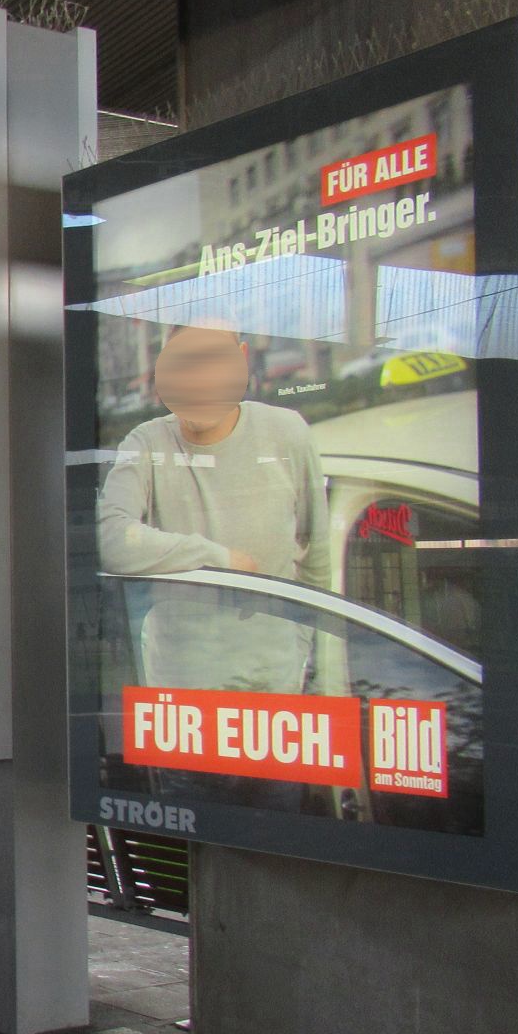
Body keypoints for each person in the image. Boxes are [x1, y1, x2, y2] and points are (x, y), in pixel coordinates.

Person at [97, 319, 328, 807]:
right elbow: (112, 539)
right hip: (184, 707)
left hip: (274, 701)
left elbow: (317, 559)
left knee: (276, 838)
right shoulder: (146, 443)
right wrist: (218, 559)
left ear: (240, 359)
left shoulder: (286, 433)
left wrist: (311, 669)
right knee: (192, 838)